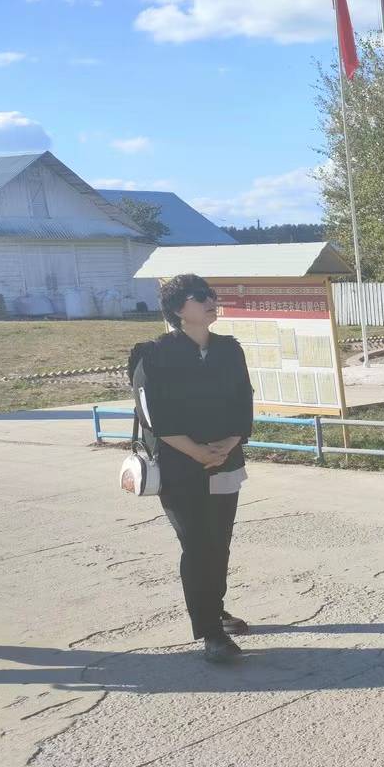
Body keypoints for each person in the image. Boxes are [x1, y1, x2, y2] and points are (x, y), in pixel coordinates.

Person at [126, 274, 254, 664]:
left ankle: (215, 608)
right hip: (180, 466)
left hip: (225, 460)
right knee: (197, 544)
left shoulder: (229, 350)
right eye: (200, 296)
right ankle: (211, 633)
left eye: (211, 294)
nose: (211, 301)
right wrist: (197, 452)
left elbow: (243, 401)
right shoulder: (154, 354)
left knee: (220, 541)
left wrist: (229, 443)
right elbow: (153, 417)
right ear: (179, 309)